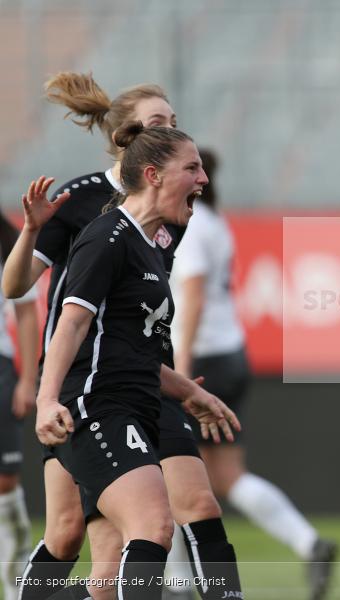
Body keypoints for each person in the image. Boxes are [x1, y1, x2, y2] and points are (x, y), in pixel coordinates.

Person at [4, 72, 242, 600]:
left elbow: (133, 324)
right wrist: (45, 394)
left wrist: (186, 388)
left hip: (138, 383)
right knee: (76, 539)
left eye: (174, 123)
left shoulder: (166, 218)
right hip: (85, 385)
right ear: (130, 140)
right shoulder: (94, 211)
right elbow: (41, 300)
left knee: (188, 510)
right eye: (159, 123)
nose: (202, 177)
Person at [170, 147, 338, 600]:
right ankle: (308, 541)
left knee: (169, 469)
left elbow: (193, 293)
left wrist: (181, 366)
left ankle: (179, 584)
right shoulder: (213, 220)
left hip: (200, 359)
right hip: (230, 351)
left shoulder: (191, 226)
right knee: (223, 476)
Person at [0, 214, 40, 600]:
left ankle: (16, 590)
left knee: (5, 481)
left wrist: (28, 379)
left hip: (0, 366)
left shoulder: (7, 239)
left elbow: (27, 311)